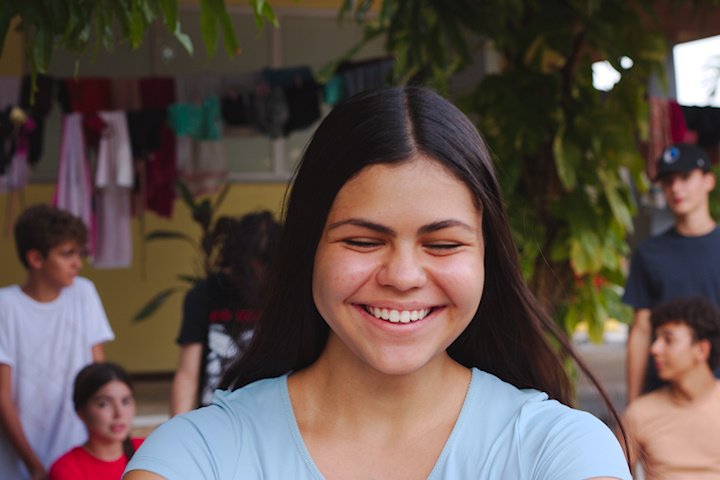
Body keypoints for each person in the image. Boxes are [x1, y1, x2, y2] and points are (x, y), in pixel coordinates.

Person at [125, 87, 630, 479]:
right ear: (308, 248)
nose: (403, 277)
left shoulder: (560, 450)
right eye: (363, 241)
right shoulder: (198, 455)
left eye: (442, 244)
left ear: (487, 258)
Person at [0, 204, 115, 480]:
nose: (78, 263)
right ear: (36, 258)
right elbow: (2, 397)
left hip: (76, 456)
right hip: (18, 462)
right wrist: (34, 466)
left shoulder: (84, 293)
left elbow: (99, 378)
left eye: (79, 253)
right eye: (67, 254)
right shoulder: (5, 306)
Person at [623, 143, 720, 403]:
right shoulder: (649, 252)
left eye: (685, 177)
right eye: (668, 182)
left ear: (708, 181)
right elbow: (641, 329)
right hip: (663, 394)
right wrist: (633, 405)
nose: (675, 188)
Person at [170, 211, 281, 415]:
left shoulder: (281, 296)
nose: (269, 271)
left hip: (267, 415)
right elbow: (187, 374)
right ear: (243, 257)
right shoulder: (205, 295)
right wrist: (177, 427)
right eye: (264, 260)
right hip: (215, 415)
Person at [621, 297, 720, 478]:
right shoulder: (639, 414)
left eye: (668, 339)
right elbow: (613, 473)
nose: (654, 349)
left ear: (701, 350)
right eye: (656, 339)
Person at [49, 362, 143, 480]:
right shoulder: (67, 469)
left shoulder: (148, 450)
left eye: (125, 401)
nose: (119, 413)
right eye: (104, 404)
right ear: (81, 412)